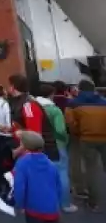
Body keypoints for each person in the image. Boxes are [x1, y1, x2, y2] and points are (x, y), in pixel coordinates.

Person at [65, 79, 106, 212]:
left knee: (91, 169)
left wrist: (78, 133)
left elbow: (70, 123)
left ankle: (94, 202)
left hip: (86, 139)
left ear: (79, 89)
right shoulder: (104, 102)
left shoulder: (73, 104)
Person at [13, 131, 62, 223]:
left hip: (33, 209)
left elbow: (20, 187)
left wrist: (19, 205)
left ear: (24, 146)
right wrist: (56, 203)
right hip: (52, 209)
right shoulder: (51, 164)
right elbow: (58, 187)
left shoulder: (23, 163)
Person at [36, 84, 77, 213]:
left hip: (39, 145)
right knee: (62, 173)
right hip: (56, 144)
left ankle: (44, 203)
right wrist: (66, 139)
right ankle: (65, 204)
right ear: (51, 94)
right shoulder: (54, 110)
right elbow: (60, 130)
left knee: (42, 174)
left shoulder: (33, 107)